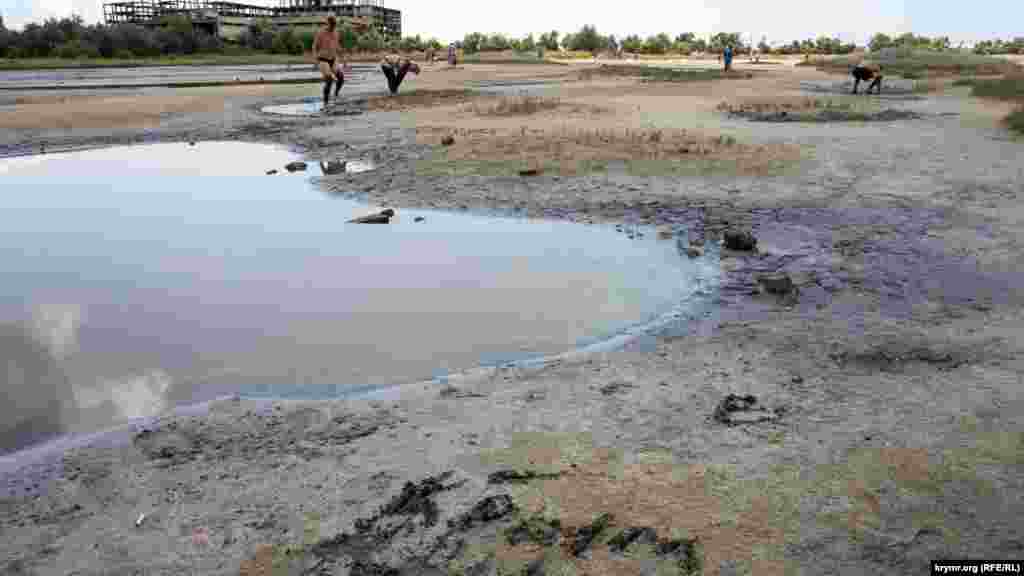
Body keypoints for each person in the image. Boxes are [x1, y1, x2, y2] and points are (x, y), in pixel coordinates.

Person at [313, 16, 341, 107]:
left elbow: (337, 45)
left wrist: (342, 57)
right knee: (329, 80)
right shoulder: (321, 33)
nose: (333, 27)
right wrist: (315, 60)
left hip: (333, 58)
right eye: (331, 25)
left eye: (334, 25)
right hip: (322, 59)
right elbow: (314, 47)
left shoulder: (336, 33)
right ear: (327, 23)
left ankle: (336, 94)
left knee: (341, 77)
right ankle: (325, 103)